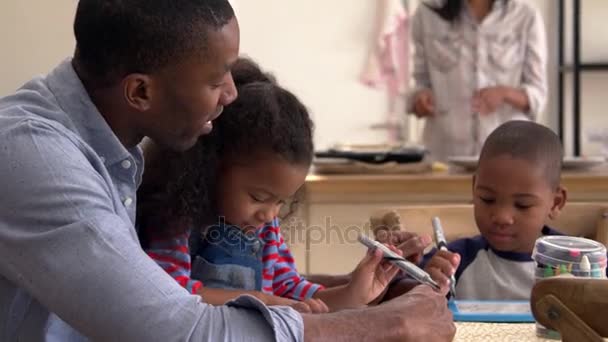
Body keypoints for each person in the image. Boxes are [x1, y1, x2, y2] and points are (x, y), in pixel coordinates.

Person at [0, 0, 455, 340]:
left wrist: (371, 291)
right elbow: (180, 327)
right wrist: (385, 326)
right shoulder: (35, 158)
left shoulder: (111, 148)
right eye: (217, 80)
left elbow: (272, 289)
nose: (233, 95)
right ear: (140, 91)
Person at [139, 58, 402, 314]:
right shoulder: (175, 218)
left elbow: (288, 288)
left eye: (280, 202)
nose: (269, 214)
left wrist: (351, 294)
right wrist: (261, 300)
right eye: (258, 196)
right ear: (212, 167)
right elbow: (171, 292)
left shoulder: (264, 227)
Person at [423, 121, 567, 299]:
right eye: (488, 199)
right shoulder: (454, 262)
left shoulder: (577, 265)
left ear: (555, 203)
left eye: (522, 204)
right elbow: (399, 292)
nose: (501, 217)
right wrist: (426, 285)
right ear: (474, 188)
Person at [409, 0, 547, 161]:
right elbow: (419, 82)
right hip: (445, 158)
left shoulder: (526, 16)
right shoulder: (427, 14)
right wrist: (420, 99)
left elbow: (538, 94)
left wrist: (505, 93)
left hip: (510, 159)